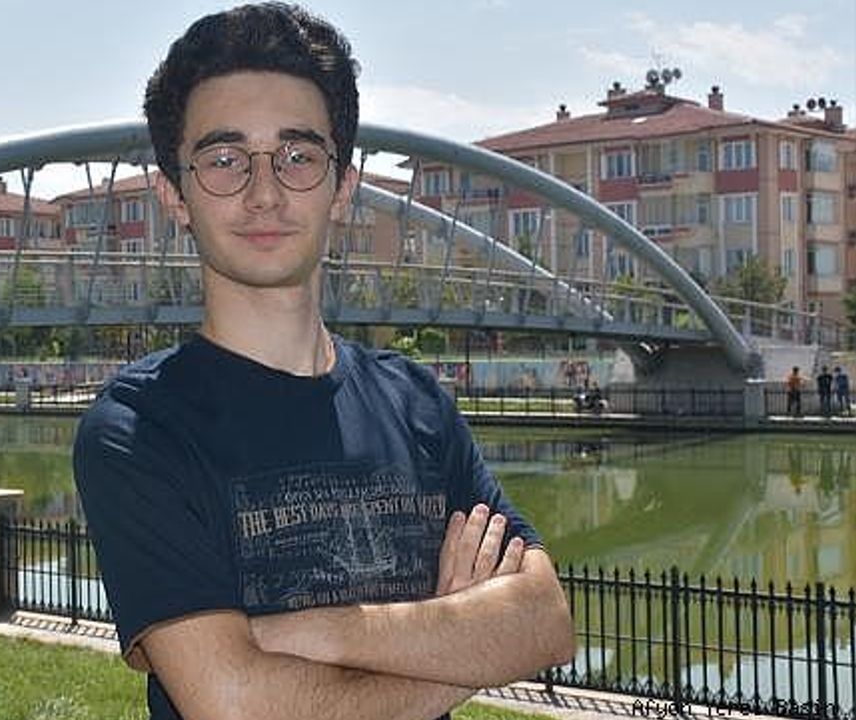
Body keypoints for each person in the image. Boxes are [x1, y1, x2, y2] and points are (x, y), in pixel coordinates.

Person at [73, 5, 575, 719]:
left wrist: (323, 633)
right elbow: (236, 707)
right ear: (174, 196)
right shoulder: (139, 428)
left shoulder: (416, 403)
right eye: (224, 160)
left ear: (343, 187)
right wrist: (462, 644)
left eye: (299, 157)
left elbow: (545, 621)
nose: (265, 193)